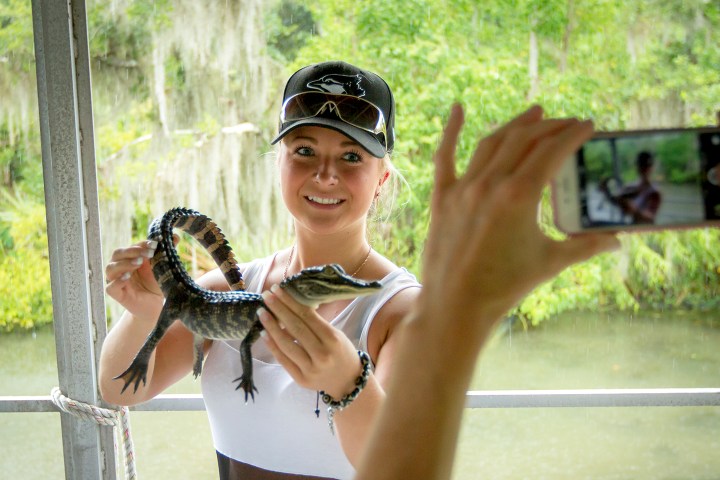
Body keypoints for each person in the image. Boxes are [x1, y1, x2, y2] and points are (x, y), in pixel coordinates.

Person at [100, 61, 422, 479]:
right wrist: (145, 311)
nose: (325, 175)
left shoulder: (405, 314)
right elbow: (120, 388)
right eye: (304, 151)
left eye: (351, 156)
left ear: (381, 178)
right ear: (279, 164)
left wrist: (348, 381)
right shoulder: (224, 291)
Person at [599, 150, 662, 224]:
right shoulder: (631, 186)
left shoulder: (655, 192)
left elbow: (650, 217)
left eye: (646, 165)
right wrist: (606, 191)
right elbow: (617, 200)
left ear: (651, 167)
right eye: (641, 164)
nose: (644, 168)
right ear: (637, 166)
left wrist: (632, 209)